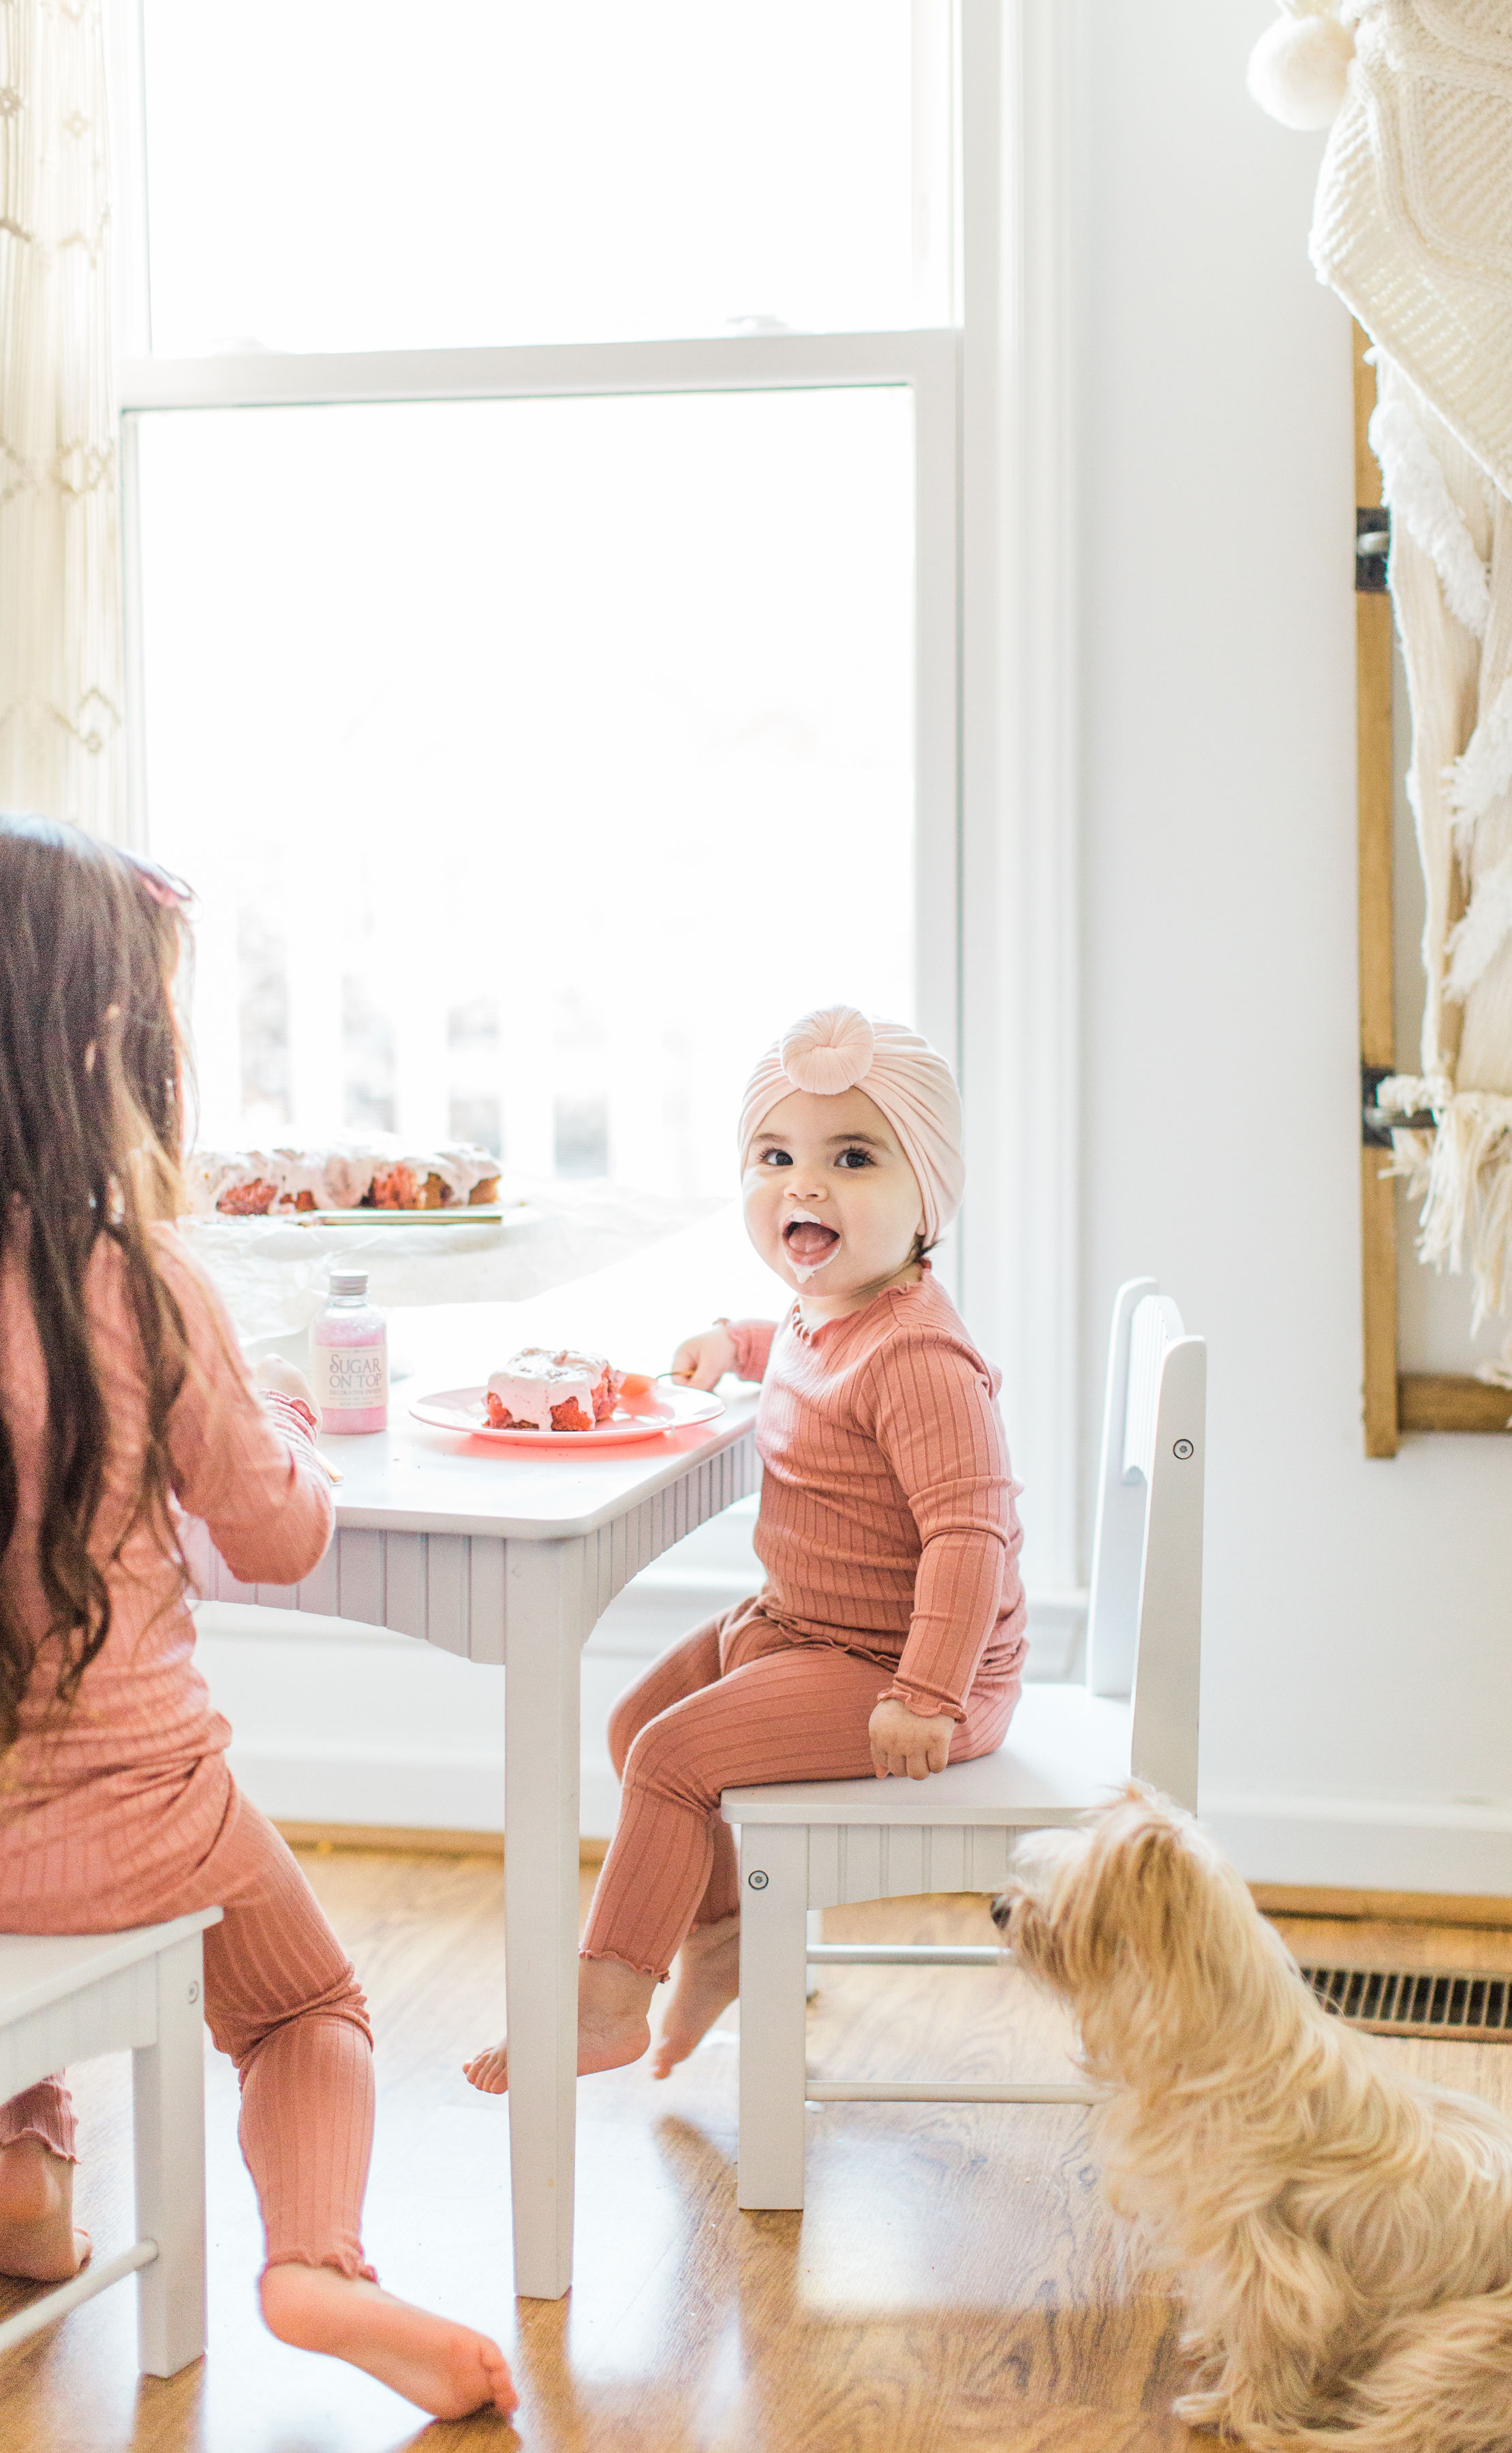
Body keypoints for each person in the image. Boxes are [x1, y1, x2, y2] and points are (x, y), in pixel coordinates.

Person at [0, 815, 515, 2424]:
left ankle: (27, 2169)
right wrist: (270, 1422)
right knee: (307, 2006)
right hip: (145, 1817)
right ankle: (314, 2267)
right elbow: (278, 1533)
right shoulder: (137, 1284)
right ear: (104, 1047)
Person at [465, 1002, 1026, 2091]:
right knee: (639, 1725)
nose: (803, 1184)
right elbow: (810, 1348)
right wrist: (739, 1340)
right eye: (776, 1156)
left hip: (901, 1668)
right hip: (809, 1628)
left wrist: (927, 1691)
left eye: (851, 1157)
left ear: (928, 1202)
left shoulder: (919, 1356)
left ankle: (604, 2002)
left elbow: (974, 1535)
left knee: (677, 1758)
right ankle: (721, 1942)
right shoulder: (836, 1309)